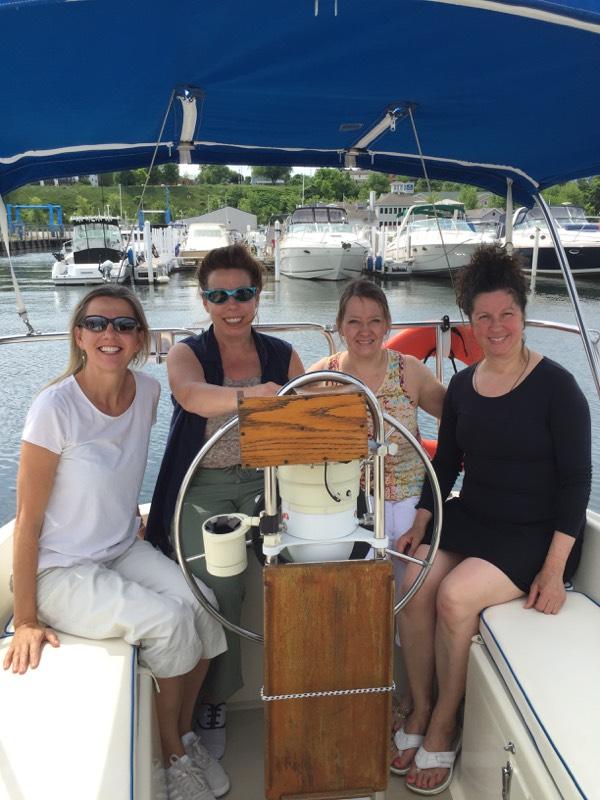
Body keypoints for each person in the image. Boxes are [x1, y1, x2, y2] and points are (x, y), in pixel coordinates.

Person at [3, 285, 230, 800]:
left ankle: (186, 731)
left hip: (121, 548)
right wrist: (27, 619)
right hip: (59, 568)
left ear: (140, 338)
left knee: (207, 606)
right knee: (169, 622)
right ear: (79, 334)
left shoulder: (147, 392)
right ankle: (173, 755)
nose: (112, 334)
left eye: (125, 325)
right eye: (99, 323)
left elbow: (119, 471)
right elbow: (26, 519)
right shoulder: (53, 407)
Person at [394, 245, 591, 795]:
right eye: (484, 316)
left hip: (535, 531)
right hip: (476, 514)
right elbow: (447, 461)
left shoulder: (558, 388)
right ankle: (421, 703)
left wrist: (553, 571)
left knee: (456, 596)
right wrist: (423, 521)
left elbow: (577, 482)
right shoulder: (462, 385)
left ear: (523, 314)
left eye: (506, 314)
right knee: (414, 580)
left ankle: (443, 725)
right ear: (469, 322)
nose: (496, 326)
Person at [146, 243, 304, 757]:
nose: (232, 305)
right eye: (219, 295)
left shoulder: (281, 354)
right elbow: (192, 396)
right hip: (205, 492)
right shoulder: (187, 353)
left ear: (259, 296)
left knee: (312, 568)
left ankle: (306, 685)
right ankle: (214, 698)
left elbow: (305, 413)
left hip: (271, 484)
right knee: (218, 591)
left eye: (242, 293)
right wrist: (256, 395)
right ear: (204, 299)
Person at [308, 278, 445, 739]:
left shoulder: (410, 373)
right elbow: (292, 439)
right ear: (340, 326)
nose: (364, 330)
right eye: (354, 321)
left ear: (387, 324)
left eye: (374, 321)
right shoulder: (321, 376)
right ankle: (372, 700)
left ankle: (418, 703)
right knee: (359, 609)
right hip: (347, 508)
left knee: (411, 605)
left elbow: (462, 421)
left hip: (407, 501)